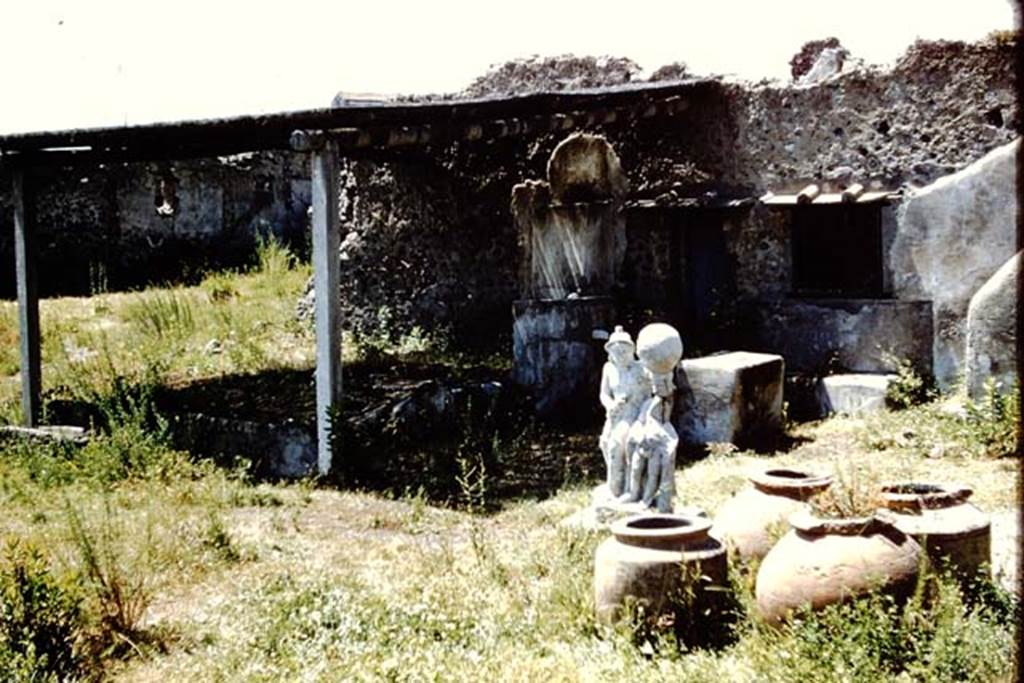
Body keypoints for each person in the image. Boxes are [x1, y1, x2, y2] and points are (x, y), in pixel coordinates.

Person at [598, 326, 646, 497]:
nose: (620, 355)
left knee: (616, 444)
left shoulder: (640, 369)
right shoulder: (608, 368)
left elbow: (649, 395)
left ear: (632, 350)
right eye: (616, 351)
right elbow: (604, 394)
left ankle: (619, 490)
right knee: (604, 442)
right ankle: (616, 480)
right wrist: (610, 405)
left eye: (624, 351)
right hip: (614, 413)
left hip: (633, 413)